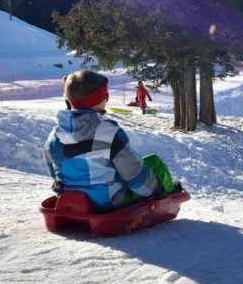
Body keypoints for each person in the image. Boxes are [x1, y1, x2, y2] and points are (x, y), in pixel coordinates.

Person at [43, 70, 179, 212]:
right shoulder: (110, 134)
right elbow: (134, 176)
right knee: (154, 162)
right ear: (99, 100)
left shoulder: (54, 136)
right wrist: (158, 192)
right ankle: (170, 193)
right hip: (108, 203)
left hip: (69, 202)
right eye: (105, 96)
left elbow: (54, 173)